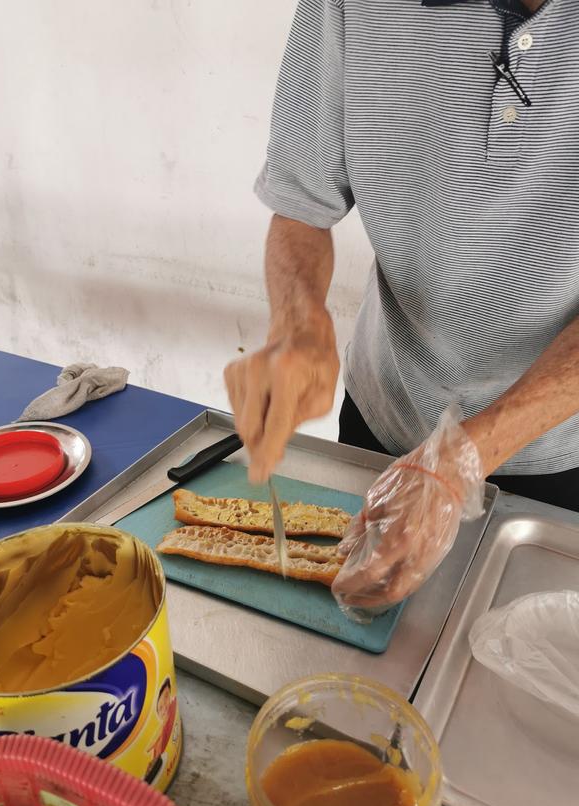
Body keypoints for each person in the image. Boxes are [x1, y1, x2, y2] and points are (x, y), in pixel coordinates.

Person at [225, 0, 579, 610]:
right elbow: (302, 207)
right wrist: (298, 325)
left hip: (558, 456)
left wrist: (463, 458)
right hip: (383, 414)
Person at [144, 679, 177, 784]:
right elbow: (149, 747)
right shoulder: (162, 726)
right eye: (161, 706)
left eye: (167, 696)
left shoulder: (172, 709)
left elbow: (148, 748)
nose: (164, 704)